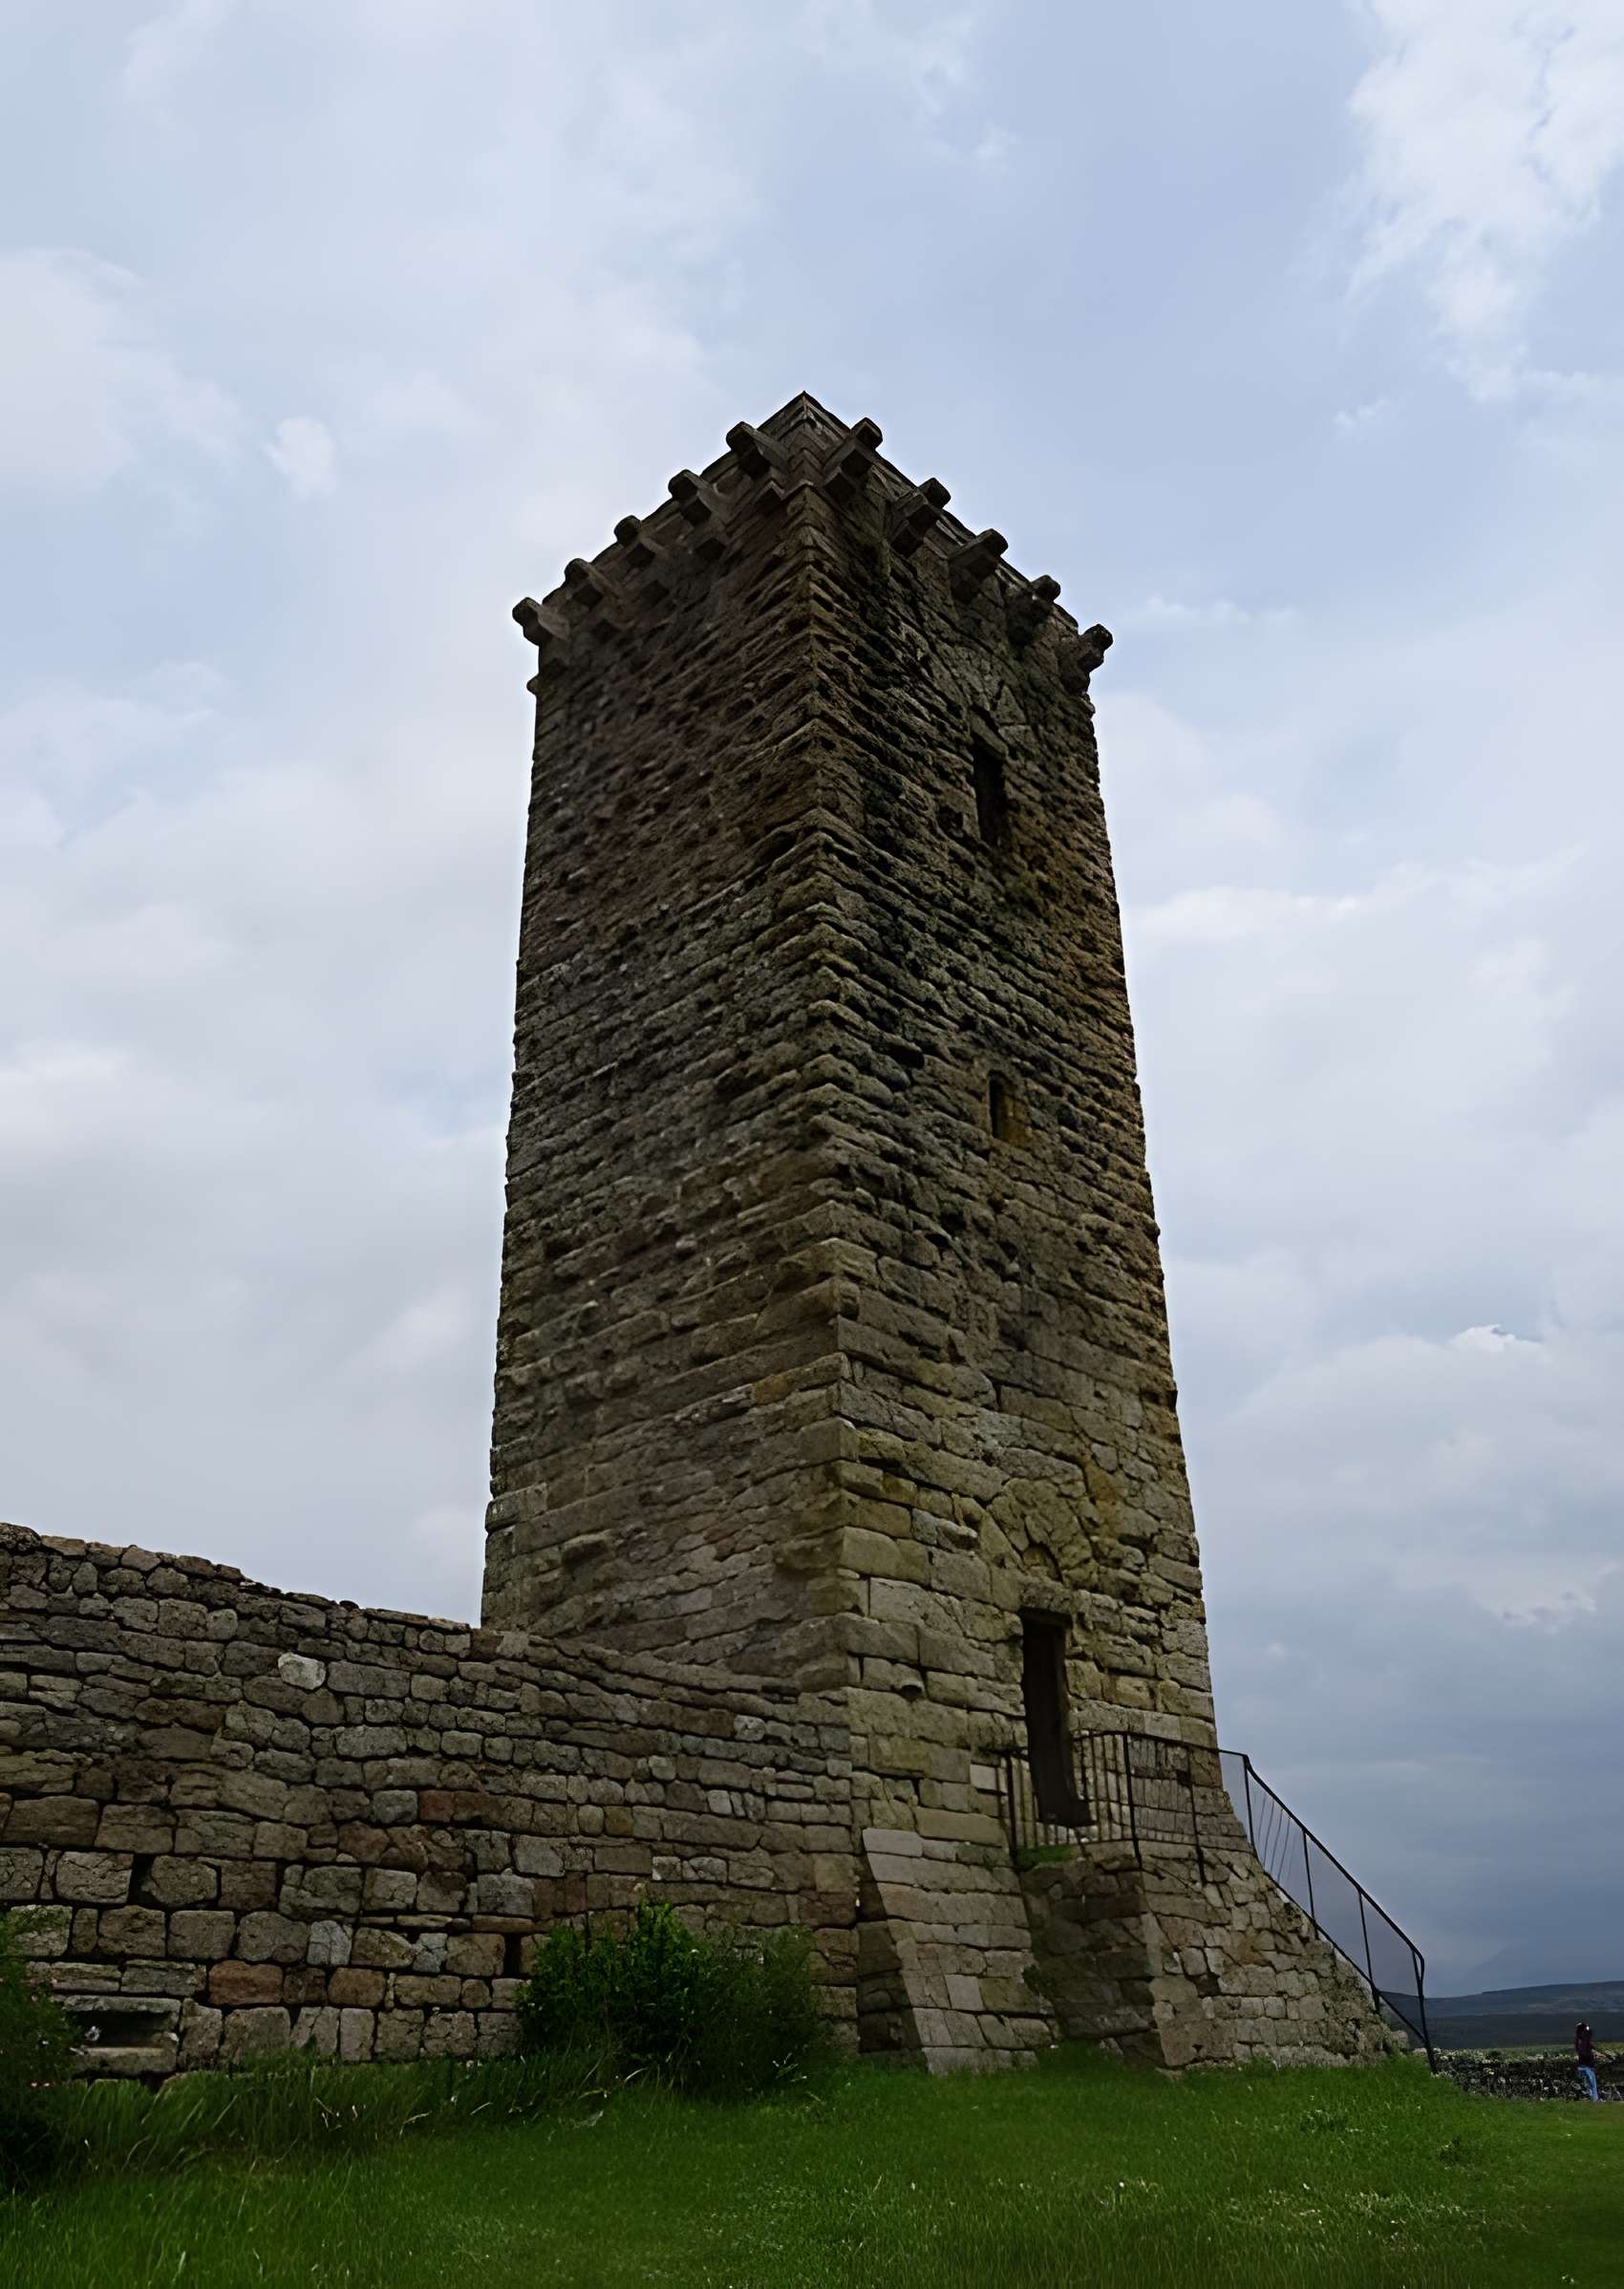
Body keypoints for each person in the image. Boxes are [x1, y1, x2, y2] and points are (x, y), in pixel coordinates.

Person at [1575, 2022, 1600, 2102]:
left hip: (1586, 2065)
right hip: (1586, 2065)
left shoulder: (1582, 2040)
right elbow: (1582, 2051)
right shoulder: (1581, 2040)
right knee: (1590, 2083)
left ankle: (1593, 2099)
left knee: (1590, 2083)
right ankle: (1592, 2099)